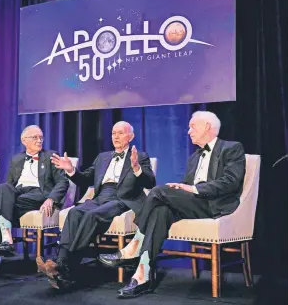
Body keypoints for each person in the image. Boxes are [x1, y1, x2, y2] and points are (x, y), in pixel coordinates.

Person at [99, 111, 246, 298]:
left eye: (193, 127)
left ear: (207, 127)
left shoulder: (232, 148)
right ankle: (142, 275)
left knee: (158, 191)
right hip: (194, 203)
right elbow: (185, 187)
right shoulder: (194, 157)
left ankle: (135, 244)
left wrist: (193, 189)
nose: (188, 131)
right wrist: (182, 189)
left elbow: (231, 182)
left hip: (215, 204)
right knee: (160, 211)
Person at [37, 121, 156, 290]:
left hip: (122, 199)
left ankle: (65, 265)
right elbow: (85, 180)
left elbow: (150, 183)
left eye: (121, 133)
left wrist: (137, 168)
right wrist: (71, 170)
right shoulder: (102, 157)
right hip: (100, 197)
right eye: (114, 133)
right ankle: (62, 266)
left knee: (92, 215)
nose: (116, 136)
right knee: (75, 212)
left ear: (131, 136)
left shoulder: (140, 156)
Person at [0, 125, 69, 277]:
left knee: (3, 205)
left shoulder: (51, 156)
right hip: (18, 193)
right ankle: (6, 239)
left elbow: (63, 182)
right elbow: (10, 184)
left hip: (39, 193)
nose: (39, 140)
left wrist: (51, 198)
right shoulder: (16, 159)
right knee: (4, 188)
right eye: (35, 137)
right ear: (24, 141)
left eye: (41, 137)